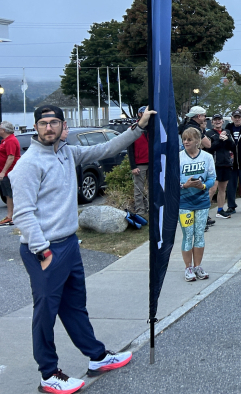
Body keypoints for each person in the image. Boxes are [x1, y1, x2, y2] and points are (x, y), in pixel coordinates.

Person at [10, 105, 148, 393]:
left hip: (69, 244)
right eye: (43, 123)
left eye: (54, 122)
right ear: (36, 127)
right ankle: (48, 373)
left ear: (64, 126)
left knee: (74, 307)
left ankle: (97, 357)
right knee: (45, 313)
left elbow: (107, 148)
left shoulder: (67, 153)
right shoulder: (28, 164)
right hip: (44, 250)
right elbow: (22, 214)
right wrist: (42, 251)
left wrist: (139, 127)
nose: (49, 127)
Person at [179, 127, 216, 281]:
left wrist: (203, 186)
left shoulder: (207, 157)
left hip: (202, 202)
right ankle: (188, 268)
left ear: (197, 141)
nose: (186, 142)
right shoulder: (178, 157)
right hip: (184, 203)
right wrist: (184, 185)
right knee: (188, 235)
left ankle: (197, 266)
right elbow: (170, 180)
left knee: (199, 235)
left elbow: (212, 178)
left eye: (189, 139)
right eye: (184, 139)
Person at [205, 114, 235, 219]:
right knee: (213, 188)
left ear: (223, 121)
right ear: (212, 122)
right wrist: (219, 140)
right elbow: (209, 148)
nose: (217, 122)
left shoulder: (227, 132)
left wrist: (227, 139)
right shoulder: (209, 133)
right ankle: (204, 213)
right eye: (215, 120)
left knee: (223, 188)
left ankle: (220, 210)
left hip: (226, 163)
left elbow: (233, 146)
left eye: (219, 120)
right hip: (214, 164)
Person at [127, 106, 150, 215]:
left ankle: (151, 209)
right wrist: (133, 166)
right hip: (139, 163)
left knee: (152, 188)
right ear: (140, 114)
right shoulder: (134, 127)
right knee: (139, 189)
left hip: (151, 162)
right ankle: (140, 211)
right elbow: (130, 149)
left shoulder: (151, 127)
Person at [0, 121, 20, 226]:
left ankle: (14, 216)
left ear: (4, 130)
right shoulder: (5, 140)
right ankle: (9, 216)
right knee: (8, 194)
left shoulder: (11, 140)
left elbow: (11, 156)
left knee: (12, 194)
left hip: (10, 172)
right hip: (5, 172)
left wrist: (3, 172)